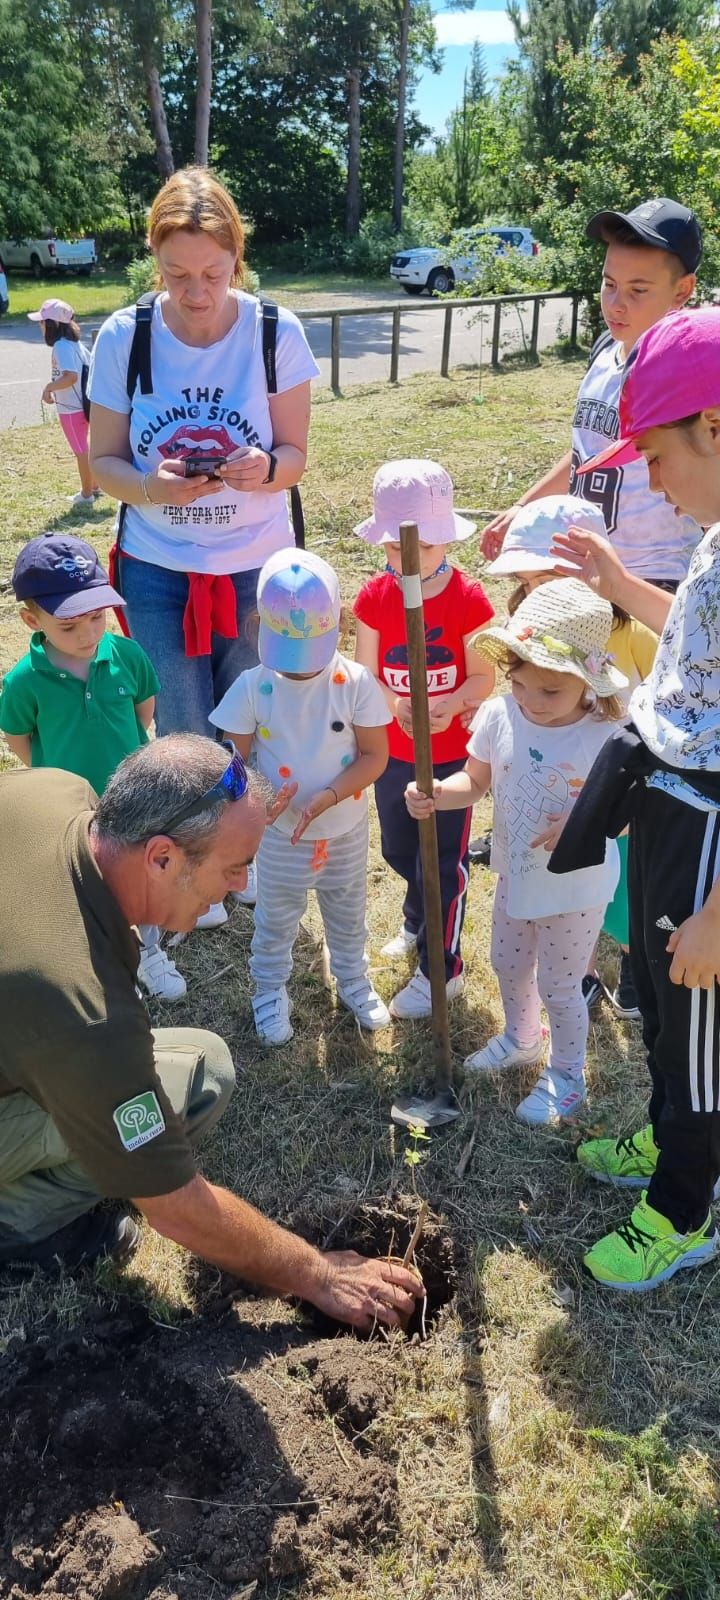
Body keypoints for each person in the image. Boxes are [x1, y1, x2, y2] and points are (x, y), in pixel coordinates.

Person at [0, 734, 423, 1331]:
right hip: (50, 1027)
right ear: (163, 857)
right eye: (233, 868)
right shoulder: (85, 1012)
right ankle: (14, 1228)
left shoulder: (56, 791)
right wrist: (321, 1275)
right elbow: (175, 1206)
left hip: (28, 1028)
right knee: (142, 1126)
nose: (238, 886)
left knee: (201, 1069)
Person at [547, 308, 720, 1291]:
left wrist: (718, 916)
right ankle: (669, 1143)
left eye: (656, 453)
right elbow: (695, 638)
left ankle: (685, 1210)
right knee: (656, 999)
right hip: (666, 793)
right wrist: (617, 582)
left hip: (709, 828)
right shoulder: (713, 533)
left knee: (697, 1028)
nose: (648, 478)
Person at [88, 166, 319, 752]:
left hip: (254, 568)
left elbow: (294, 458)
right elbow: (103, 463)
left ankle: (244, 847)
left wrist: (265, 469)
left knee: (249, 733)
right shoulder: (124, 337)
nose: (196, 293)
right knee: (184, 739)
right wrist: (149, 487)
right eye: (176, 275)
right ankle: (198, 844)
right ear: (154, 261)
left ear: (237, 257)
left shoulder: (275, 333)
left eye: (213, 273)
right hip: (156, 569)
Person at [406, 579, 627, 1125]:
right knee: (507, 961)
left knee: (559, 982)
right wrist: (437, 793)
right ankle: (522, 1035)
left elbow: (625, 819)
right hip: (517, 871)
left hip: (575, 886)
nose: (532, 701)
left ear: (588, 684)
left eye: (550, 692)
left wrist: (582, 822)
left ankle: (569, 1074)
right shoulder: (502, 714)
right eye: (521, 683)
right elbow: (475, 781)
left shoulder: (608, 735)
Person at [486, 494, 659, 1020]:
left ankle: (632, 968)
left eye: (549, 581)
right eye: (530, 585)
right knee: (570, 895)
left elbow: (664, 704)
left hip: (622, 784)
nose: (538, 596)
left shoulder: (633, 634)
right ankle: (578, 975)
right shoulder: (531, 631)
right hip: (559, 778)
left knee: (626, 890)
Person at [210, 548, 392, 1045]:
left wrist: (332, 795)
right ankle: (269, 988)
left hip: (345, 830)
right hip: (280, 834)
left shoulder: (354, 683)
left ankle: (352, 977)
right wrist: (260, 796)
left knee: (347, 912)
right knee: (276, 917)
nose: (297, 672)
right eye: (289, 662)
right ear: (259, 628)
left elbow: (375, 756)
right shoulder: (254, 687)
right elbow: (234, 762)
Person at [0, 533, 186, 1001]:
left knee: (140, 872)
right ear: (30, 620)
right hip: (66, 810)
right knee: (83, 883)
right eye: (69, 626)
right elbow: (20, 739)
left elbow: (144, 712)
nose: (87, 635)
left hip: (131, 797)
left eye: (97, 617)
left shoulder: (126, 655)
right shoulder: (23, 682)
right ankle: (101, 960)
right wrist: (54, 776)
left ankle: (148, 951)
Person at [480, 199, 703, 585]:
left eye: (638, 290)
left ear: (682, 290)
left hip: (654, 578)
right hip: (588, 570)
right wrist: (525, 504)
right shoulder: (604, 348)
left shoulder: (689, 373)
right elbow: (588, 452)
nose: (616, 304)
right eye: (609, 284)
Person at [353, 459, 495, 1019]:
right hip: (392, 752)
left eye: (425, 546)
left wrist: (453, 703)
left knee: (441, 863)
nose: (409, 558)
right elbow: (366, 676)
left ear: (446, 541)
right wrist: (396, 707)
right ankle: (416, 921)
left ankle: (444, 970)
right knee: (400, 849)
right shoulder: (372, 599)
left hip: (451, 757)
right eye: (394, 548)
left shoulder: (469, 600)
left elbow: (484, 677)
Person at [27, 297, 98, 507]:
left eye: (42, 321)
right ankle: (93, 485)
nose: (40, 325)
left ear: (54, 324)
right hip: (83, 406)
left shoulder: (61, 346)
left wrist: (49, 387)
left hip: (71, 409)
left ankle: (86, 494)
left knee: (80, 451)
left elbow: (71, 376)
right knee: (86, 448)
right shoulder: (74, 344)